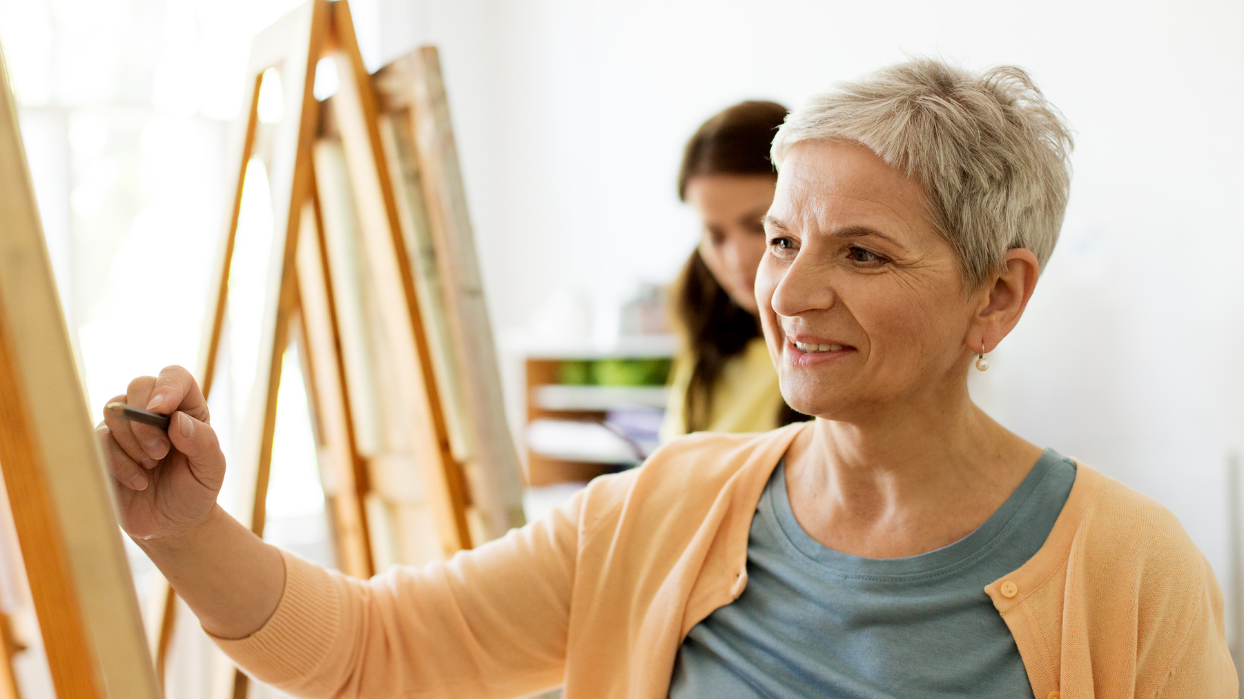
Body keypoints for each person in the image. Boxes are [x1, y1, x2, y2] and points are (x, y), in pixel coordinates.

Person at [99, 58, 1236, 698]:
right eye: (782, 241)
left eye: (860, 253)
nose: (785, 295)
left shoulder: (1126, 570)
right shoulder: (666, 506)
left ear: (996, 294)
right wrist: (185, 529)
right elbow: (367, 650)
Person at [661, 101, 806, 442]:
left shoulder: (842, 353)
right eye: (715, 236)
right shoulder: (708, 350)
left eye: (760, 227)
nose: (738, 259)